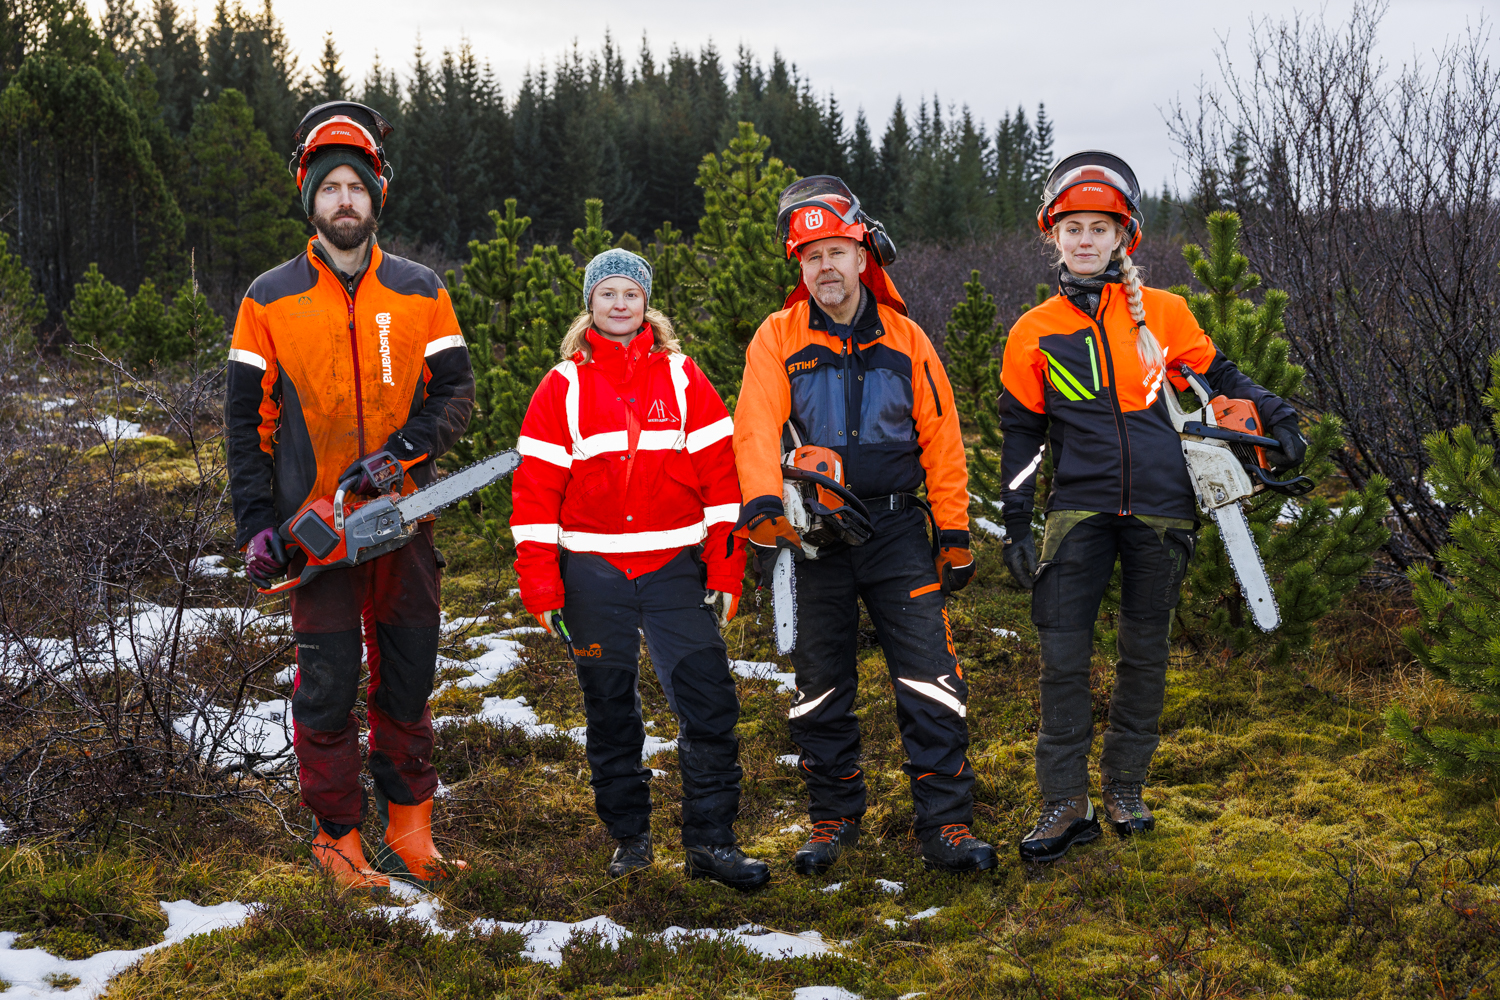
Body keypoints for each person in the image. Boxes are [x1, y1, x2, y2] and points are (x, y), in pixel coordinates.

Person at [998, 151, 1307, 863]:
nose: (1084, 240)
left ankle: (1127, 790)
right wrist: (1016, 523)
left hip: (1165, 509)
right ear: (1053, 235)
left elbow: (1221, 374)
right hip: (1077, 509)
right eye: (1072, 227)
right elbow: (1020, 438)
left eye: (1098, 228)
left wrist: (1279, 416)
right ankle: (1064, 802)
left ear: (1122, 237)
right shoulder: (1033, 331)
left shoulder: (1164, 312)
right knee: (1063, 657)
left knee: (1145, 655)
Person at [226, 102, 475, 888]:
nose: (344, 200)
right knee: (328, 687)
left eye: (355, 187)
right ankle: (339, 841)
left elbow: (457, 395)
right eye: (330, 187)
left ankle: (410, 831)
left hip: (404, 521)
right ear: (311, 199)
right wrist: (259, 524)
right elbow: (245, 424)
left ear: (376, 198)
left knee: (408, 678)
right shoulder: (267, 300)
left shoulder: (420, 289)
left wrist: (400, 454)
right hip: (318, 530)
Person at [734, 176, 996, 875]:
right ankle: (832, 815)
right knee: (819, 683)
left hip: (895, 532)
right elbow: (755, 427)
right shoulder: (777, 337)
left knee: (930, 677)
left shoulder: (907, 339)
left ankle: (945, 823)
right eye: (810, 255)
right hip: (812, 535)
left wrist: (956, 530)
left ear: (862, 256)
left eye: (836, 251)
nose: (824, 267)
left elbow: (943, 437)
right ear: (800, 265)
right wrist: (762, 504)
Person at [509, 248, 770, 890]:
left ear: (647, 304)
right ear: (590, 305)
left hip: (673, 570)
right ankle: (630, 839)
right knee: (610, 712)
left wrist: (727, 567)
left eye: (632, 293)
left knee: (710, 705)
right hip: (593, 574)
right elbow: (536, 494)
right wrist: (540, 581)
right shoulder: (561, 387)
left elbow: (720, 481)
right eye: (608, 294)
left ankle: (712, 844)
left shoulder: (684, 378)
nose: (620, 304)